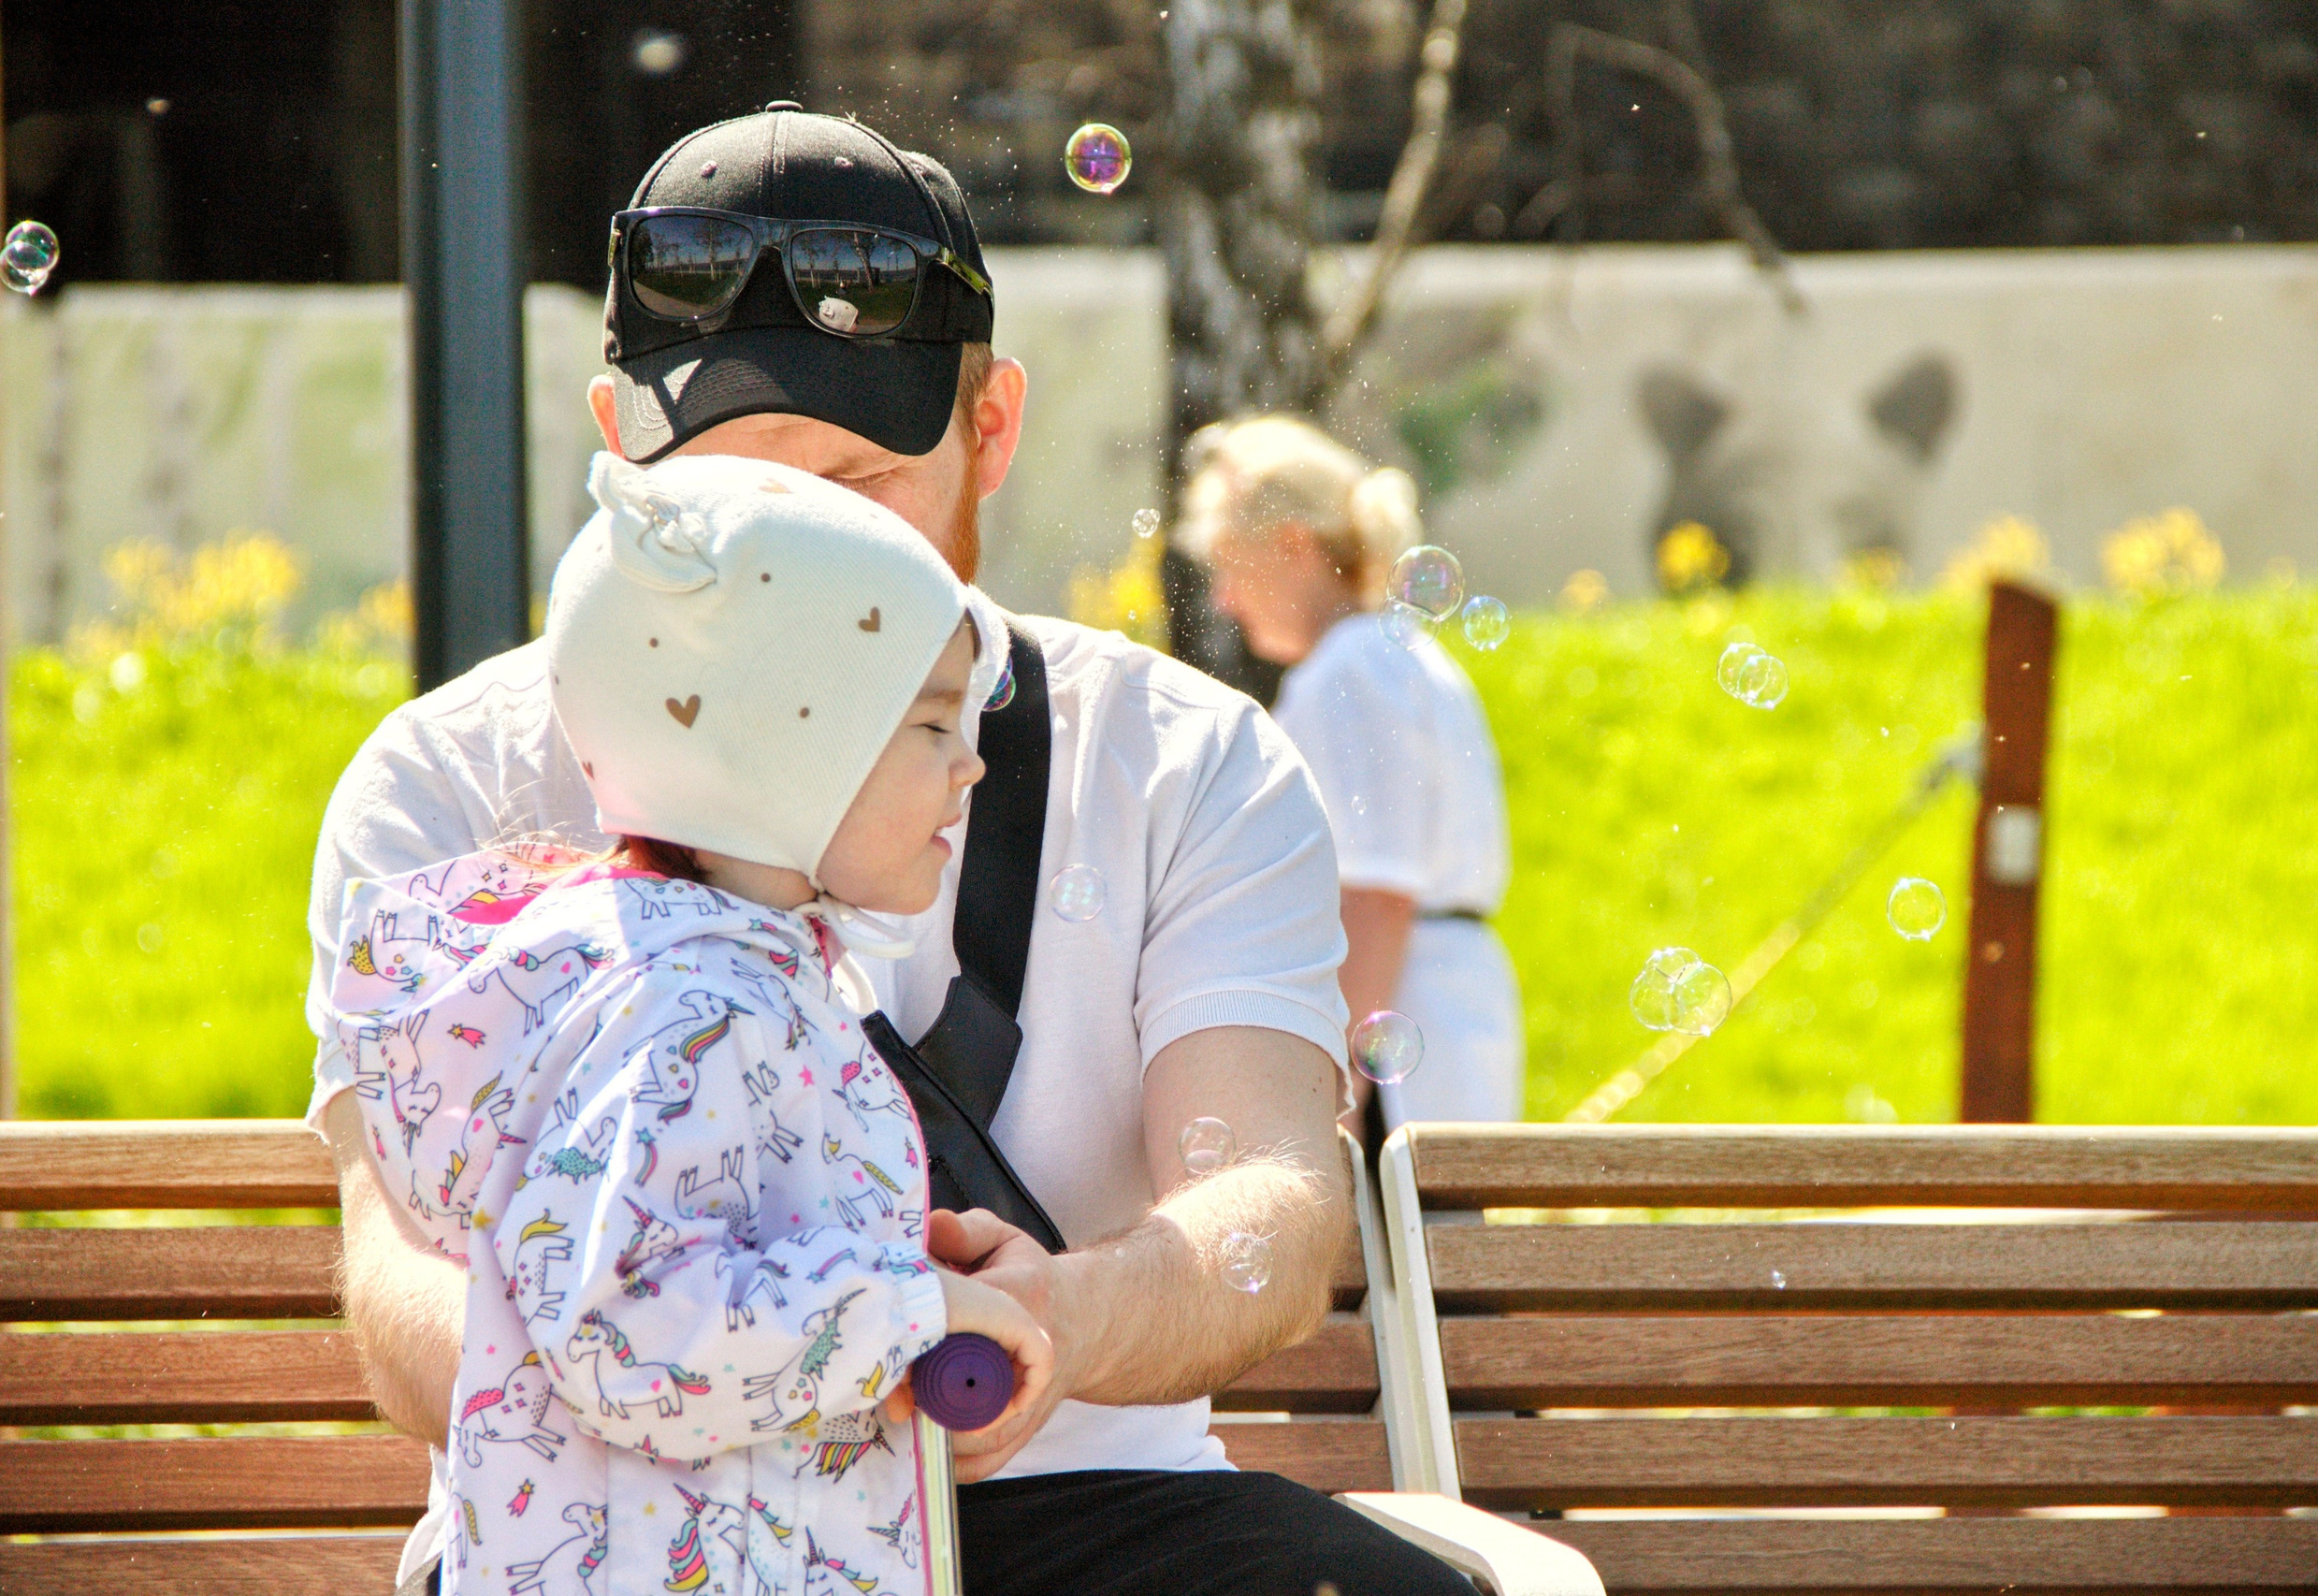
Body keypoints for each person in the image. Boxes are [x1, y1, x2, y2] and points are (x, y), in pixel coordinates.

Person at [305, 106, 1475, 1595]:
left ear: (990, 431)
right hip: (624, 1529)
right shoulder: (447, 778)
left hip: (1090, 1499)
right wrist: (803, 1356)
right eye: (730, 496)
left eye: (857, 491)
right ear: (619, 442)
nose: (793, 556)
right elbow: (406, 1277)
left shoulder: (1186, 755)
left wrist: (1058, 1317)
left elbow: (1271, 1200)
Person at [330, 451, 1053, 1595]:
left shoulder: (715, 975)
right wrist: (906, 1311)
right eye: (924, 724)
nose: (970, 763)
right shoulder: (693, 1010)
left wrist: (858, 1268)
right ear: (781, 751)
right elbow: (630, 1332)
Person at [1178, 416, 1522, 1130]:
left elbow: (1375, 896)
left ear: (1292, 545)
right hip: (1443, 1019)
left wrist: (1331, 1108)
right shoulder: (1393, 654)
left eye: (1226, 564)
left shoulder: (1351, 668)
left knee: (1401, 1240)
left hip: (1402, 1028)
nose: (1222, 599)